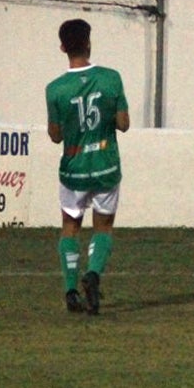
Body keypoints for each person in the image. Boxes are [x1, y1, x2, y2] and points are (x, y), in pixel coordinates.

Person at [45, 18, 130, 315]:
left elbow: (55, 136)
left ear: (62, 47)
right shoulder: (111, 78)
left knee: (70, 227)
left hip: (73, 170)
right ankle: (92, 274)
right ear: (89, 43)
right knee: (103, 226)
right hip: (105, 165)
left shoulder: (55, 89)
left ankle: (71, 291)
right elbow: (124, 124)